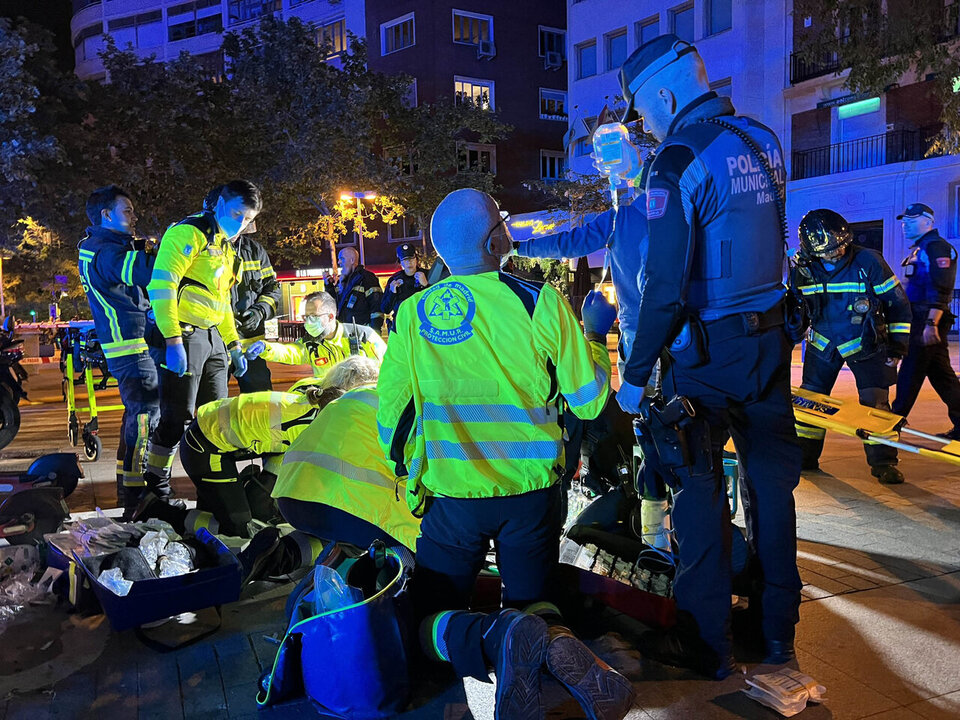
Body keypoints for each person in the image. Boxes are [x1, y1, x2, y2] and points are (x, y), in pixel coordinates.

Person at [377, 188, 634, 720]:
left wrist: (413, 473)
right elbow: (588, 403)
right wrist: (590, 334)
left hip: (454, 499)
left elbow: (394, 419)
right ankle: (539, 638)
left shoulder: (411, 314)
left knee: (428, 617)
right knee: (532, 600)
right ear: (496, 239)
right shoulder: (538, 300)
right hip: (532, 496)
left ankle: (497, 639)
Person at [615, 35, 802, 677]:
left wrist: (635, 377)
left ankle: (706, 644)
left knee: (696, 491)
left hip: (708, 354)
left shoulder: (676, 159)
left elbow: (663, 286)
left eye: (642, 110)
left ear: (665, 95)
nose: (643, 125)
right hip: (770, 344)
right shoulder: (761, 138)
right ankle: (779, 636)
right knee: (772, 494)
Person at [142, 180, 259, 499]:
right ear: (219, 203)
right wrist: (173, 341)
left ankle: (215, 489)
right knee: (176, 417)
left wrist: (234, 346)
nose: (241, 224)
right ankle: (155, 485)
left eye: (247, 219)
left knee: (216, 418)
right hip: (184, 334)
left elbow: (221, 304)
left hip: (213, 342)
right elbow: (161, 287)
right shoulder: (188, 233)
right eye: (237, 213)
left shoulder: (225, 247)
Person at [792, 209, 912, 484]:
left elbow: (898, 306)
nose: (836, 253)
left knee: (876, 406)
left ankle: (884, 463)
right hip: (822, 347)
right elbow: (795, 311)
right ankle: (806, 457)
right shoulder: (803, 270)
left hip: (866, 343)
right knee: (810, 403)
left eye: (840, 246)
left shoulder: (869, 261)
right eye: (828, 251)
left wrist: (897, 348)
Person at [272, 355, 419, 554]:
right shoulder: (395, 401)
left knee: (342, 527)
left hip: (289, 498)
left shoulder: (340, 404)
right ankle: (404, 577)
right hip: (346, 507)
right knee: (424, 536)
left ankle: (289, 553)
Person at [78, 186, 159, 516]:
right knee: (144, 420)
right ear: (106, 215)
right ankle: (138, 498)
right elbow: (147, 273)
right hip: (134, 348)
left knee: (135, 419)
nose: (134, 217)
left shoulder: (94, 246)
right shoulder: (108, 251)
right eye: (127, 211)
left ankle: (131, 491)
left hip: (126, 348)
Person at [202, 186, 282, 393]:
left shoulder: (254, 251)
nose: (239, 227)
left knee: (261, 405)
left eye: (246, 221)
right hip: (215, 347)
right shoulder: (201, 246)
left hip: (251, 348)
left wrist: (259, 312)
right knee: (212, 408)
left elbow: (272, 289)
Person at [891, 203, 960, 439]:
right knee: (942, 377)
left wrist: (932, 323)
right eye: (904, 221)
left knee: (910, 373)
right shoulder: (921, 248)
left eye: (911, 220)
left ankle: (892, 423)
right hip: (919, 320)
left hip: (925, 321)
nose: (905, 224)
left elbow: (940, 287)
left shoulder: (937, 247)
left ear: (928, 221)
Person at [245, 291, 384, 376]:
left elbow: (391, 367)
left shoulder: (364, 337)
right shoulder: (311, 344)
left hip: (365, 405)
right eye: (305, 317)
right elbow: (290, 351)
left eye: (313, 316)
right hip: (331, 407)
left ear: (330, 316)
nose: (308, 322)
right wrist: (265, 348)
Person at [327, 246, 384, 332]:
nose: (339, 262)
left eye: (342, 258)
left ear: (352, 260)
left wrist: (374, 332)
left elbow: (376, 307)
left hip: (362, 333)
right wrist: (329, 286)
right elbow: (332, 302)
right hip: (345, 332)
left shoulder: (367, 278)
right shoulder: (343, 281)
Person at [380, 243, 429, 333]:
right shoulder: (394, 279)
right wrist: (392, 292)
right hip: (402, 326)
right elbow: (385, 309)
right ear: (400, 262)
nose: (409, 262)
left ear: (416, 259)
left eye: (411, 258)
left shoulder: (427, 275)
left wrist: (426, 285)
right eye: (405, 259)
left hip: (423, 325)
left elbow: (438, 302)